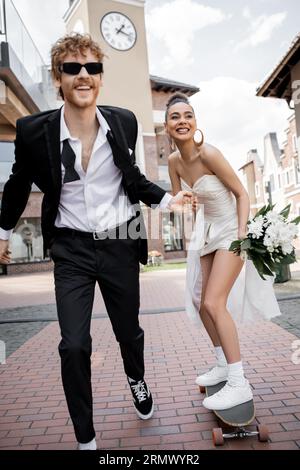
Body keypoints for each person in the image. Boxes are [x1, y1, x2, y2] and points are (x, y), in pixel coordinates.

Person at [0, 34, 192, 450]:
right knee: (73, 345)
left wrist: (166, 198)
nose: (83, 75)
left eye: (92, 67)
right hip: (71, 248)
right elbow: (17, 186)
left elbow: (134, 178)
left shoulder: (123, 121)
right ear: (59, 77)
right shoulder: (34, 131)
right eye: (72, 68)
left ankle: (136, 378)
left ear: (101, 77)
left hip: (120, 239)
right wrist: (2, 231)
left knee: (128, 332)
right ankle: (85, 436)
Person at [165, 93, 281, 411]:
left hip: (231, 230)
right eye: (175, 116)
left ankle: (239, 382)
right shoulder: (173, 162)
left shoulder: (210, 154)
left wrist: (242, 235)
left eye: (188, 115)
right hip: (206, 232)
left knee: (215, 303)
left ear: (195, 122)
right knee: (200, 303)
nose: (182, 120)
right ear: (167, 127)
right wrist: (181, 203)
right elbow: (181, 201)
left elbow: (241, 194)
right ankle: (221, 364)